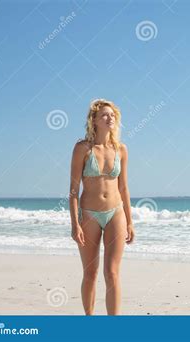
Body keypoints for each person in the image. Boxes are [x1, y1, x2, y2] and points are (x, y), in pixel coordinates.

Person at [69, 98, 135, 315]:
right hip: (89, 214)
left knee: (112, 273)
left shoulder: (121, 149)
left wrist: (130, 221)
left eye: (113, 115)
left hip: (116, 213)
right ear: (94, 120)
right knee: (90, 273)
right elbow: (73, 190)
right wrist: (75, 224)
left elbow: (124, 187)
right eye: (105, 115)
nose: (110, 118)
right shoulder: (82, 148)